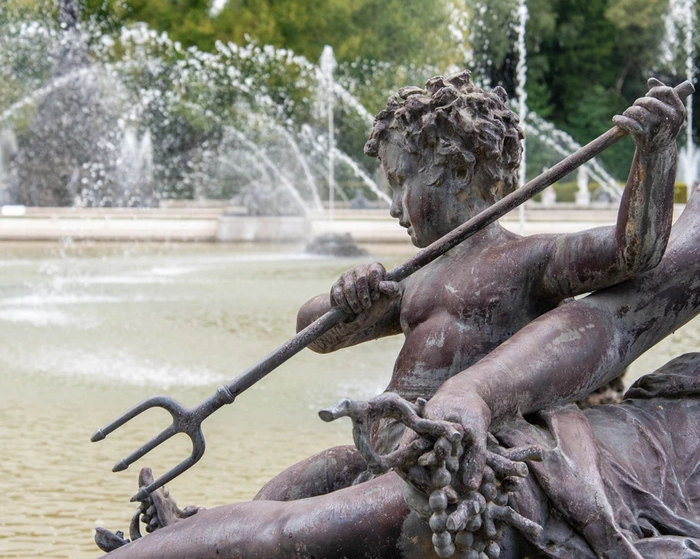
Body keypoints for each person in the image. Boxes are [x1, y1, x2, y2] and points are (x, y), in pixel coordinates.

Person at [96, 72, 687, 557]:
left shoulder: (527, 259)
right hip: (380, 443)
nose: (392, 206)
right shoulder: (417, 275)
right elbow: (314, 336)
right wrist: (343, 301)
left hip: (440, 452)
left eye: (402, 181)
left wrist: (655, 156)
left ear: (459, 170)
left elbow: (631, 253)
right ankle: (197, 527)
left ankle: (181, 547)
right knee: (297, 481)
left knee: (288, 534)